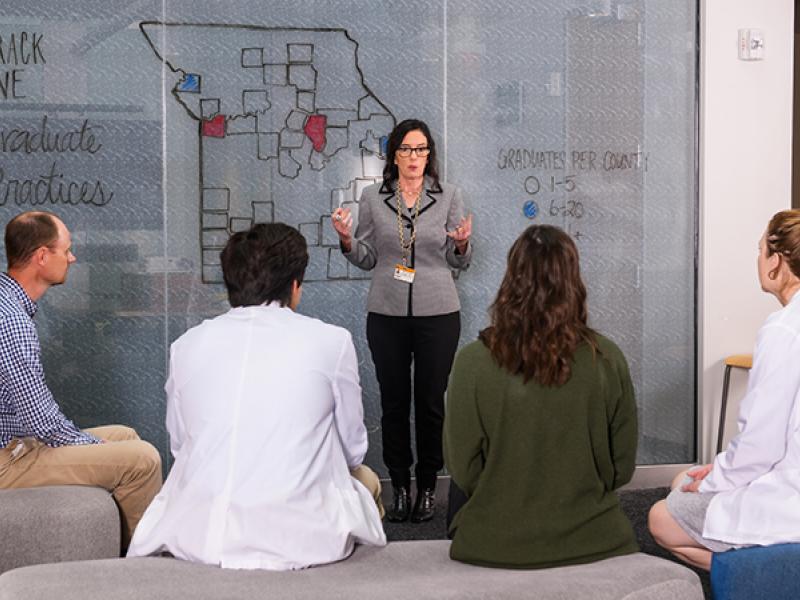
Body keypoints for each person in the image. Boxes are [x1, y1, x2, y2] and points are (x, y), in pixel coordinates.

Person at [127, 222, 386, 570]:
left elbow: (180, 445)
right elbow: (353, 449)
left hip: (201, 534)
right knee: (366, 482)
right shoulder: (331, 341)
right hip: (303, 538)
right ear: (295, 285)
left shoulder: (185, 345)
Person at [444, 224, 639, 568]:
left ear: (511, 280)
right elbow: (621, 468)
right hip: (597, 536)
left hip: (493, 541)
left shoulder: (472, 362)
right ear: (574, 281)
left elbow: (463, 469)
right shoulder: (606, 358)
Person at [331, 118, 472, 523]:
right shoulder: (374, 197)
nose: (415, 158)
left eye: (422, 149)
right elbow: (368, 258)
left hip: (438, 312)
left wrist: (461, 243)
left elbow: (459, 260)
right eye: (407, 150)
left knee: (429, 403)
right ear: (394, 154)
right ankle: (400, 486)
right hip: (387, 312)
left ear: (431, 155)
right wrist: (345, 240)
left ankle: (428, 485)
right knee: (394, 404)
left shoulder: (448, 196)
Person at [0, 211, 162, 551]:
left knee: (124, 435)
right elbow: (39, 418)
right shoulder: (13, 321)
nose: (72, 258)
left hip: (18, 442)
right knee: (144, 459)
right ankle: (145, 565)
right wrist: (86, 443)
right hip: (9, 459)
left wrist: (87, 442)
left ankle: (112, 549)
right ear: (42, 257)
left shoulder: (9, 300)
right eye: (66, 250)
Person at [649, 209, 800, 571]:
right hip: (784, 474)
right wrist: (716, 471)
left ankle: (767, 577)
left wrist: (714, 480)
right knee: (681, 478)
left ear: (776, 262)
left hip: (789, 500)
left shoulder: (784, 329)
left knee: (660, 518)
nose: (758, 259)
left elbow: (761, 443)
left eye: (760, 249)